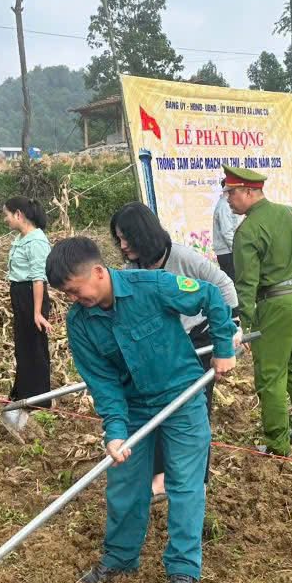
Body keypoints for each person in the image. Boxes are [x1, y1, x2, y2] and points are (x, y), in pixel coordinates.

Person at [46, 235, 236, 583]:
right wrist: (115, 432)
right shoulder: (80, 323)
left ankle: (183, 570)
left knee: (185, 484)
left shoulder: (151, 285)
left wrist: (224, 347)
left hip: (181, 397)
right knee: (125, 485)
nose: (73, 299)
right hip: (132, 408)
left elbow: (211, 296)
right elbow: (103, 383)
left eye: (74, 289)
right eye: (66, 294)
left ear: (98, 272)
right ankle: (120, 559)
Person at [110, 201, 239, 500]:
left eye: (127, 238)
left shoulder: (181, 257)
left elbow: (222, 284)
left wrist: (233, 325)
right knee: (157, 406)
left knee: (194, 408)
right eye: (119, 239)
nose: (123, 245)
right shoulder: (132, 270)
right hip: (164, 344)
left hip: (198, 338)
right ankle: (161, 475)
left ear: (144, 234)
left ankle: (197, 479)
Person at [226, 165, 292, 455]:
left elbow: (246, 284)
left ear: (248, 192)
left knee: (270, 375)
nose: (228, 199)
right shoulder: (290, 214)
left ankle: (277, 443)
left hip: (278, 306)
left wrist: (242, 325)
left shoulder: (248, 230)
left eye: (231, 193)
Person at [2, 197, 52, 436]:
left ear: (19, 214)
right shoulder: (21, 238)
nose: (5, 219)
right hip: (21, 296)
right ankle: (22, 394)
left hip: (32, 297)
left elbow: (38, 278)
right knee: (23, 347)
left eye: (7, 214)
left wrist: (37, 312)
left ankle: (39, 401)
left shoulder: (37, 240)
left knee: (34, 348)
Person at [211, 182, 243, 281]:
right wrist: (237, 250)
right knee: (231, 282)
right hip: (227, 252)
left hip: (229, 250)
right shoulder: (224, 206)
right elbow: (227, 232)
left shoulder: (227, 204)